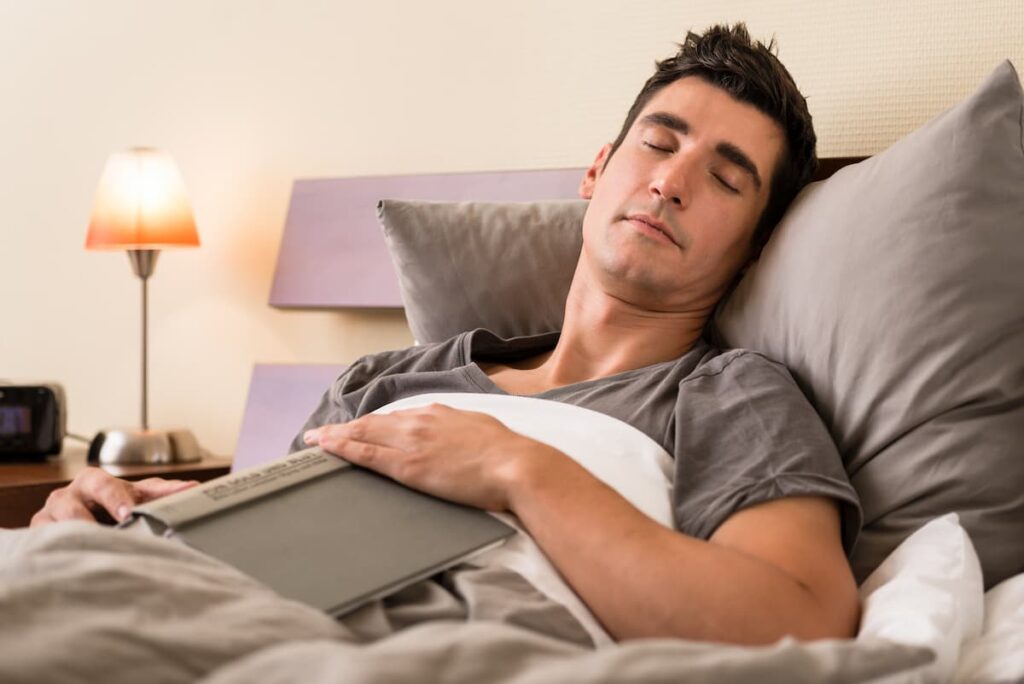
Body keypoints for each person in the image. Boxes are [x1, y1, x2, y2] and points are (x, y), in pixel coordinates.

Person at [31, 23, 862, 646]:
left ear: (754, 248)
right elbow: (259, 541)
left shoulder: (734, 395)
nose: (673, 182)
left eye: (724, 179)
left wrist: (515, 466)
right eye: (657, 143)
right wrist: (105, 527)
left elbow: (802, 620)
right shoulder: (384, 382)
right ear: (598, 170)